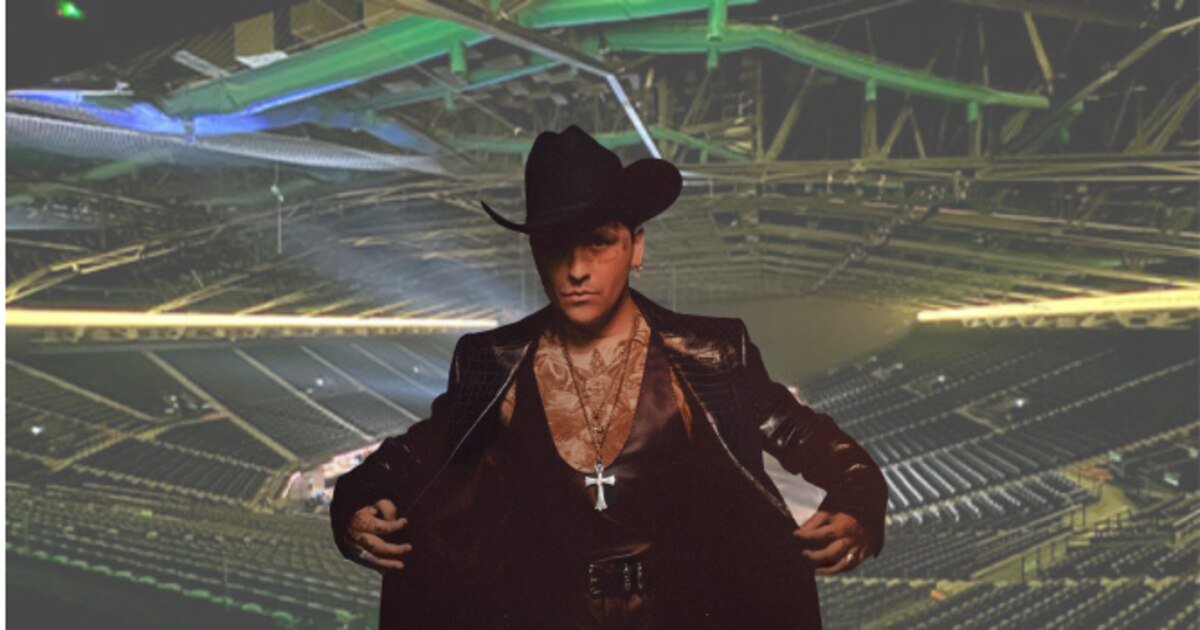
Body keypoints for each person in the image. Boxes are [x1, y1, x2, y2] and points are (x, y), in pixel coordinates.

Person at [330, 125, 888, 629]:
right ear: (535, 253)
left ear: (635, 246)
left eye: (598, 241)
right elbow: (413, 455)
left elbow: (807, 437)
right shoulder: (493, 362)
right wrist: (352, 504)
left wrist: (860, 503)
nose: (577, 269)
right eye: (556, 246)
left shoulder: (710, 353)